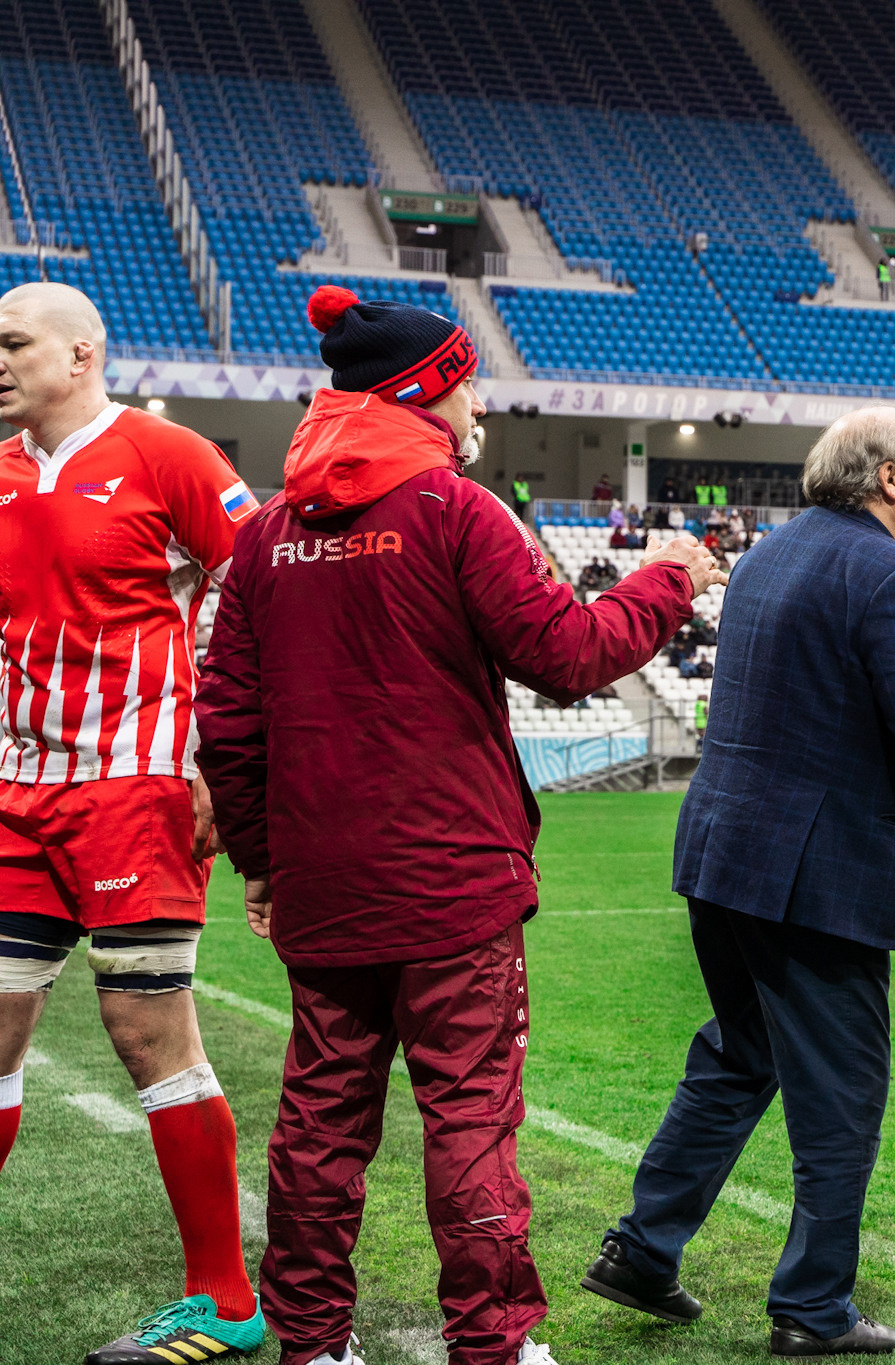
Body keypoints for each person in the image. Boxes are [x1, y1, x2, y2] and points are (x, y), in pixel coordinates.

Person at [194, 285, 726, 1365]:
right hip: (453, 885)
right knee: (470, 1117)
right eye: (467, 378)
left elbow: (229, 725)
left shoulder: (265, 541)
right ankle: (488, 1343)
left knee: (318, 1124)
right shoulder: (453, 511)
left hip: (325, 883)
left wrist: (259, 861)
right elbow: (568, 656)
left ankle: (313, 1343)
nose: (477, 400)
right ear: (430, 389)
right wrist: (667, 582)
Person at [587, 407, 895, 1357]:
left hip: (723, 854)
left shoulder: (769, 554)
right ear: (885, 478)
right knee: (840, 1093)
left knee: (738, 1054)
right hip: (817, 875)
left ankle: (643, 1250)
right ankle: (812, 1306)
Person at [0, 282, 265, 1364]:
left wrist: (220, 757)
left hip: (137, 788)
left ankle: (226, 1302)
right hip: (16, 793)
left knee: (147, 1032)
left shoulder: (171, 456)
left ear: (81, 354)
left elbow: (260, 596)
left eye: (13, 343)